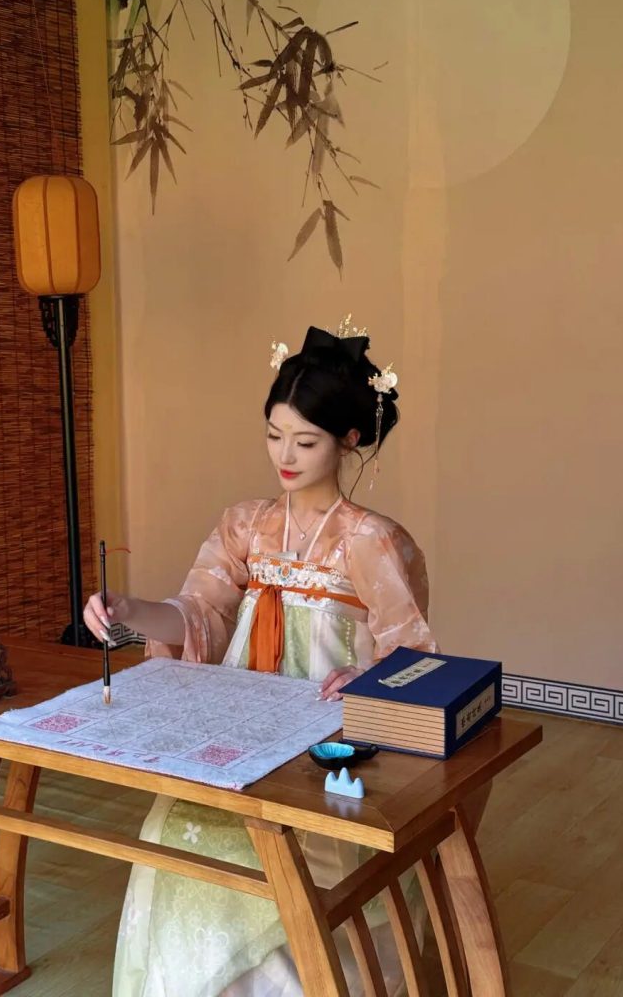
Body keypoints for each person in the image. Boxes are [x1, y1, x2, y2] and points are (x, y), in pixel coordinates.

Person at [83, 324, 439, 997]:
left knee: (313, 862)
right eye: (274, 435)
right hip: (240, 730)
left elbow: (413, 652)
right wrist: (129, 609)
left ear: (349, 440)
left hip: (326, 739)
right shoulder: (245, 524)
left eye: (305, 441)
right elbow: (200, 615)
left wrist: (368, 676)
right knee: (184, 834)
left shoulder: (374, 539)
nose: (285, 455)